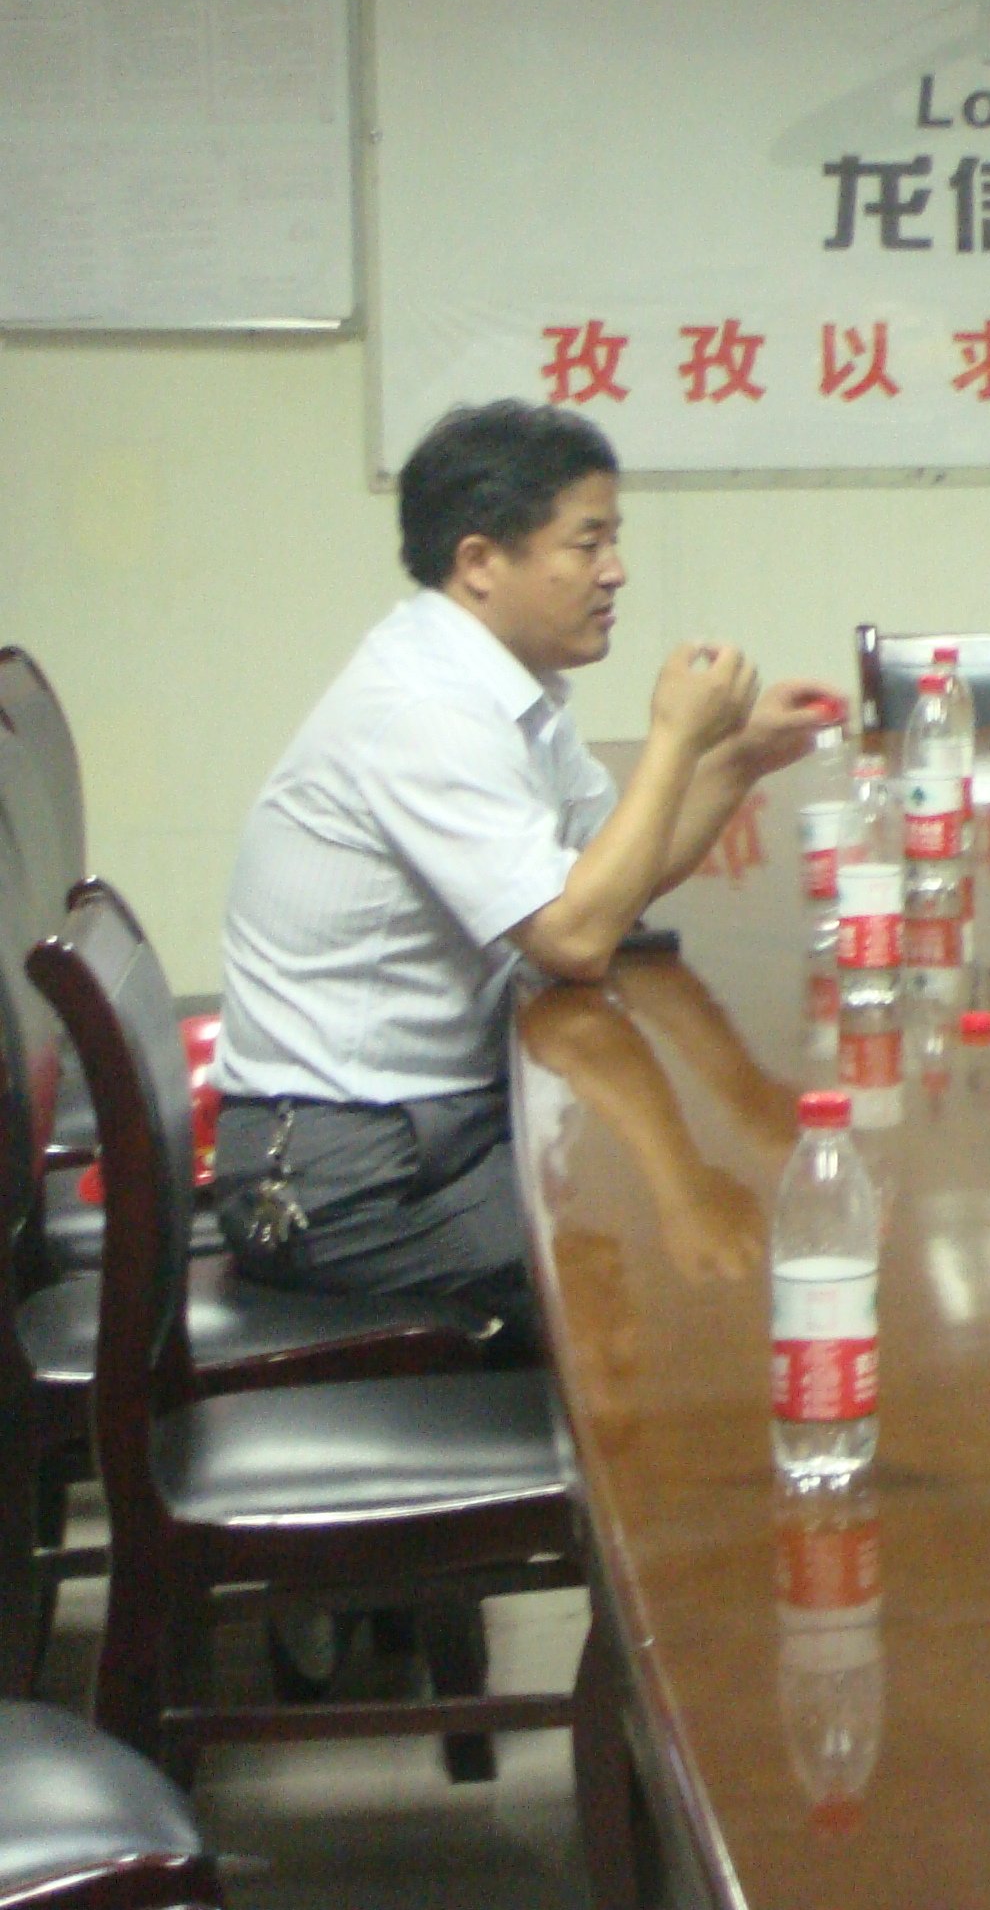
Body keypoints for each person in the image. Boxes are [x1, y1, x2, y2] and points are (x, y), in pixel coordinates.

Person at [212, 401, 838, 1349]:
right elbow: (575, 939)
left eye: (613, 540)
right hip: (337, 1183)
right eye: (587, 544)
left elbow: (608, 879)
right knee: (653, 1261)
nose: (615, 570)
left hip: (433, 1129)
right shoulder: (425, 710)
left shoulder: (495, 683)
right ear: (479, 563)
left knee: (653, 1218)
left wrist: (738, 758)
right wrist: (675, 738)